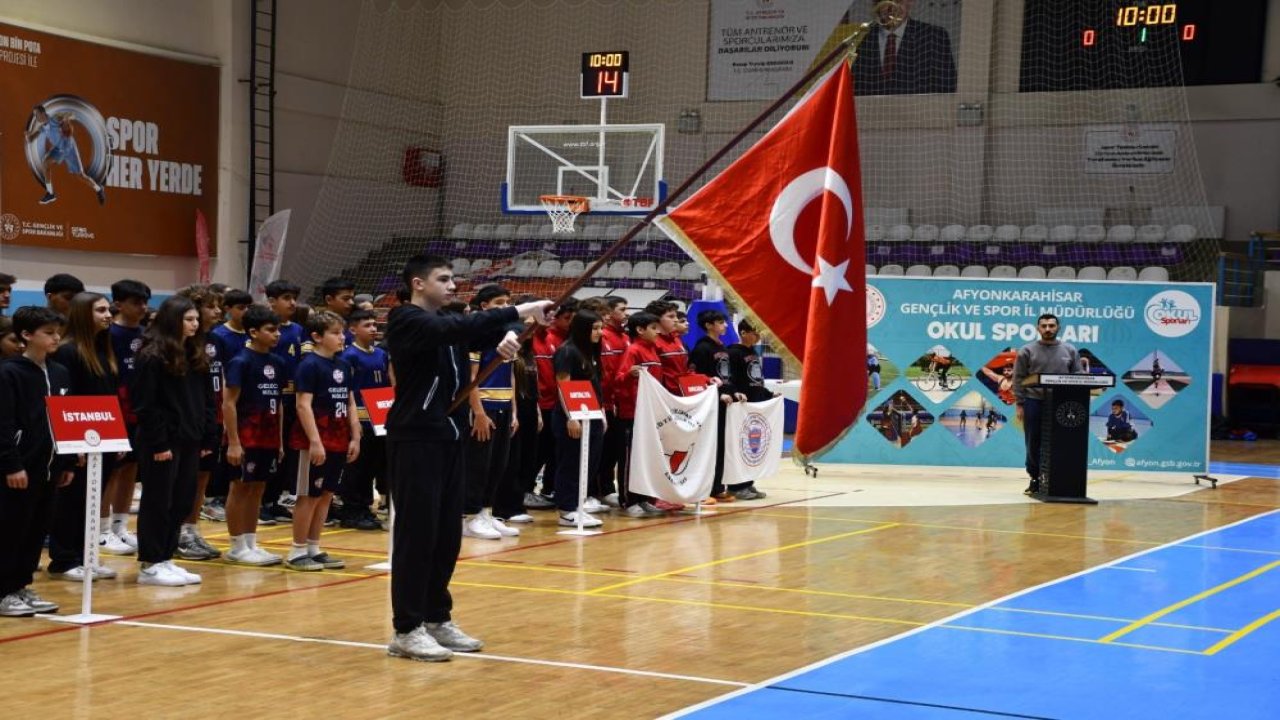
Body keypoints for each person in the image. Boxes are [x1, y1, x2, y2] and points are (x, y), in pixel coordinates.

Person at [382, 254, 550, 662]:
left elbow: (482, 331)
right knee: (417, 535)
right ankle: (407, 628)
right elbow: (460, 328)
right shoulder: (406, 320)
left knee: (446, 535)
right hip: (417, 438)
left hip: (450, 437)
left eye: (453, 279)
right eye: (443, 279)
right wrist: (521, 309)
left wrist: (508, 336)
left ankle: (437, 617)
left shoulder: (447, 323)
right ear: (418, 284)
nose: (453, 285)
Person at [130, 296, 216, 586]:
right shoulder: (152, 356)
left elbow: (206, 400)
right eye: (188, 319)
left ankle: (166, 557)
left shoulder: (195, 354)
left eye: (196, 319)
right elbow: (145, 404)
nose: (195, 324)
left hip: (190, 438)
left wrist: (207, 435)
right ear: (172, 320)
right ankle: (150, 562)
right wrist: (159, 444)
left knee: (181, 500)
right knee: (158, 501)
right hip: (162, 441)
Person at [0, 307, 74, 616]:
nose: (56, 338)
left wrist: (67, 462)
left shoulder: (60, 373)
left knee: (35, 529)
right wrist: (11, 464)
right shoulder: (9, 373)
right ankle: (3, 591)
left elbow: (64, 420)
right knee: (11, 529)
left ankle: (21, 585)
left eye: (58, 333)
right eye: (48, 333)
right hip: (20, 468)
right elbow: (3, 424)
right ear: (26, 335)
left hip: (50, 468)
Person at [47, 292, 122, 581]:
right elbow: (66, 400)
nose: (108, 315)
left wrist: (115, 437)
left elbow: (109, 399)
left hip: (102, 438)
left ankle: (86, 556)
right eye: (100, 310)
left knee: (92, 499)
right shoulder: (68, 351)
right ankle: (64, 559)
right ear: (82, 314)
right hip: (78, 439)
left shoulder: (104, 351)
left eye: (108, 310)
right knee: (72, 499)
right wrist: (72, 444)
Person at [287, 311, 360, 571]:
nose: (342, 338)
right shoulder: (309, 365)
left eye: (342, 333)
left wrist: (355, 435)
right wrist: (315, 441)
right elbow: (303, 405)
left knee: (327, 494)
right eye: (335, 333)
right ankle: (297, 551)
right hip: (315, 441)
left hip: (339, 439)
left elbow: (350, 402)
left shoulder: (344, 365)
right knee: (309, 495)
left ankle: (313, 547)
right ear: (317, 337)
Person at [222, 305, 286, 566]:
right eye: (271, 330)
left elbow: (278, 402)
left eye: (278, 329)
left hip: (268, 438)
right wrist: (233, 442)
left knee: (258, 489)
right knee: (240, 487)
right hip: (245, 436)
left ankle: (251, 543)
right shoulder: (241, 361)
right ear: (253, 332)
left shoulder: (278, 362)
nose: (277, 334)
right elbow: (228, 404)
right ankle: (236, 546)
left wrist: (279, 441)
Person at [462, 286, 524, 540]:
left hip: (503, 406)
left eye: (508, 302)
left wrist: (514, 411)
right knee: (478, 465)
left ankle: (486, 512)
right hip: (484, 407)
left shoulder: (508, 335)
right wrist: (478, 412)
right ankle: (469, 516)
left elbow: (511, 375)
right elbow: (470, 378)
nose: (505, 306)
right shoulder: (478, 336)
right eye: (499, 302)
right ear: (484, 306)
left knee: (498, 464)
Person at [174, 285, 224, 562]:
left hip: (209, 418)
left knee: (201, 478)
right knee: (182, 481)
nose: (217, 311)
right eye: (210, 306)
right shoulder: (179, 344)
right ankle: (178, 532)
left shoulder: (215, 340)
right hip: (185, 422)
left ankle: (191, 529)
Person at [1013, 313, 1083, 495]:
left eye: (1051, 325)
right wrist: (1020, 404)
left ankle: (1060, 479)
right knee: (1033, 442)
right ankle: (1035, 478)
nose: (1048, 329)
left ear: (1058, 327)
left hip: (1062, 404)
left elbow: (1079, 376)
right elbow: (1018, 378)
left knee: (1062, 442)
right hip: (1033, 402)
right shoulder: (1026, 350)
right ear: (1038, 328)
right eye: (1044, 326)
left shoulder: (1070, 350)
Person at [105, 279, 151, 551]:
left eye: (145, 302)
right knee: (112, 470)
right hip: (115, 409)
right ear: (118, 304)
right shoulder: (108, 334)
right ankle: (101, 530)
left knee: (131, 469)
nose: (142, 307)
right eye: (136, 303)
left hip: (139, 409)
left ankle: (119, 527)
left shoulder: (147, 335)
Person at [552, 309, 607, 528]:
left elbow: (595, 387)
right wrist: (571, 417)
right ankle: (566, 509)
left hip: (592, 415)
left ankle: (578, 506)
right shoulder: (567, 351)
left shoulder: (590, 352)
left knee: (589, 462)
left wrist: (601, 413)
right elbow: (563, 386)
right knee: (571, 462)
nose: (600, 332)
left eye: (601, 328)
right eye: (595, 328)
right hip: (573, 416)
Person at [339, 308, 391, 531]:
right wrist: (353, 424)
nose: (373, 329)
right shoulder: (348, 356)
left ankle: (366, 507)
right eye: (367, 325)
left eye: (375, 325)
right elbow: (347, 391)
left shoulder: (381, 354)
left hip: (379, 416)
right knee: (357, 467)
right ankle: (352, 510)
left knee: (373, 465)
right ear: (353, 330)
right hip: (359, 418)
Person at [613, 311, 667, 518]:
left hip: (650, 415)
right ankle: (628, 501)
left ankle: (644, 498)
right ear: (640, 330)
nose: (658, 332)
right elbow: (618, 380)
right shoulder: (633, 350)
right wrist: (629, 374)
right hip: (631, 414)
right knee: (629, 459)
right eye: (653, 328)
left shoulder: (653, 351)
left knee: (646, 458)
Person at [848, 0, 956, 95]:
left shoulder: (934, 37)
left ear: (910, 1)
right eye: (886, 1)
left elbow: (947, 89)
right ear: (875, 3)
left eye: (898, 0)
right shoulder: (859, 40)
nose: (892, 8)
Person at [265, 280, 307, 523]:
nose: (292, 303)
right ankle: (263, 501)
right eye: (286, 298)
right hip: (269, 398)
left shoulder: (298, 330)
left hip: (293, 400)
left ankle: (275, 499)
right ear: (272, 301)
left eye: (294, 298)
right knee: (270, 451)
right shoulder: (264, 329)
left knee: (288, 453)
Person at [690, 309, 741, 503]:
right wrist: (719, 395)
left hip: (726, 402)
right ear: (708, 325)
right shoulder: (702, 348)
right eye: (720, 322)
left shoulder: (722, 347)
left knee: (721, 445)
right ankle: (705, 489)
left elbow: (726, 376)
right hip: (710, 405)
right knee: (709, 446)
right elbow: (699, 378)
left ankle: (718, 487)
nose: (725, 325)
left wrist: (734, 391)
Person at [529, 299, 576, 506]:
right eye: (566, 318)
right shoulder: (532, 339)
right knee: (535, 452)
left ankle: (548, 489)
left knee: (551, 451)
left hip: (554, 403)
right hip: (538, 403)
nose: (570, 322)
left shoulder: (555, 340)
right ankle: (526, 490)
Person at [724, 319, 772, 500]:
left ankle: (748, 482)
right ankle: (736, 486)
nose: (758, 336)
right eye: (754, 333)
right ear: (743, 332)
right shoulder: (733, 352)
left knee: (752, 447)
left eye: (759, 333)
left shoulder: (753, 352)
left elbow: (756, 379)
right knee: (739, 445)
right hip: (740, 407)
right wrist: (735, 393)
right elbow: (730, 378)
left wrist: (768, 394)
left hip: (754, 405)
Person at [26, 105, 106, 205]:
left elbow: (71, 114)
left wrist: (65, 119)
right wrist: (28, 136)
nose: (36, 117)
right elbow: (32, 138)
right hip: (58, 149)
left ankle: (99, 189)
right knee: (45, 163)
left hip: (68, 148)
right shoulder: (42, 128)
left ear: (43, 113)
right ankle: (50, 193)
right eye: (35, 115)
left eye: (37, 114)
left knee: (80, 175)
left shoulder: (55, 118)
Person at [595, 296, 629, 509]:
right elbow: (606, 372)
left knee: (615, 448)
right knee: (605, 449)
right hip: (605, 400)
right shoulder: (603, 336)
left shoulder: (624, 336)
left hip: (619, 400)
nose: (626, 313)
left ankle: (607, 488)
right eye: (622, 309)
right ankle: (603, 489)